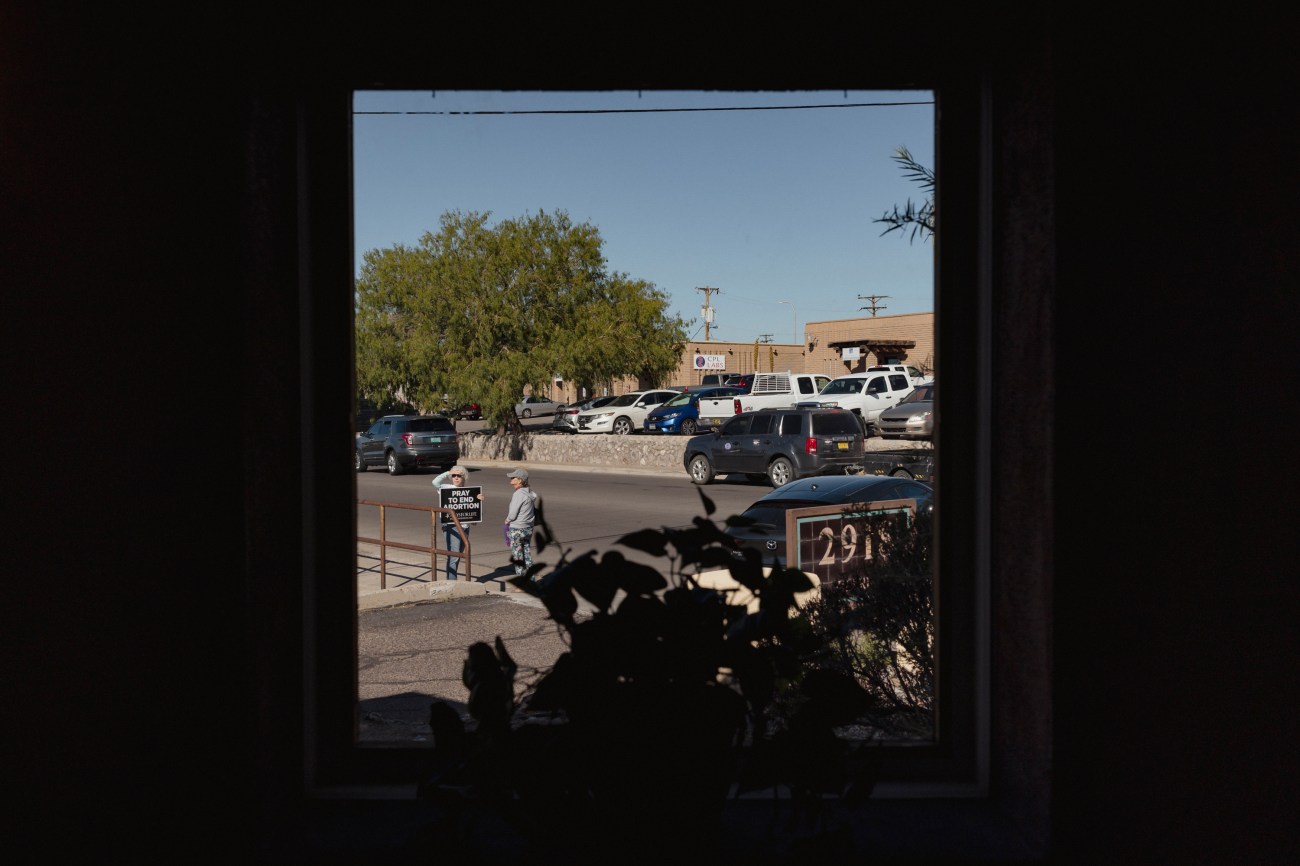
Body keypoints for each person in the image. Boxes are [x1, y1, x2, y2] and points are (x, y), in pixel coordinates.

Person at [432, 465, 482, 581]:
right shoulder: (446, 488)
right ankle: (452, 582)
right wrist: (448, 472)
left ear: (464, 477)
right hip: (451, 527)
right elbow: (435, 482)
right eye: (453, 476)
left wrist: (478, 500)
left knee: (459, 555)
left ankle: (451, 579)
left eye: (459, 475)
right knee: (454, 556)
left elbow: (472, 510)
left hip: (464, 527)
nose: (456, 477)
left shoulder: (470, 492)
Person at [504, 467, 539, 578]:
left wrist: (507, 520)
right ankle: (531, 580)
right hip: (528, 528)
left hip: (517, 528)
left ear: (520, 480)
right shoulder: (529, 493)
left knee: (518, 557)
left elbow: (513, 514)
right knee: (526, 554)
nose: (511, 479)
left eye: (513, 477)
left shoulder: (519, 494)